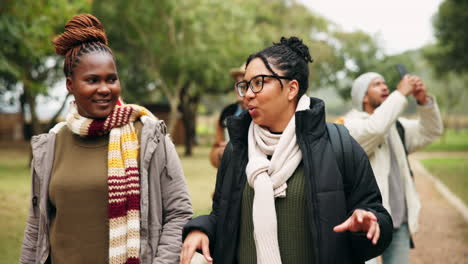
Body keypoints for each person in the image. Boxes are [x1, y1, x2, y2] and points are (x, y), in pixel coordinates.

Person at [180, 36, 393, 264]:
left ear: (292, 89)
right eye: (245, 85)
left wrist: (366, 225)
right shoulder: (238, 148)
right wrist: (201, 229)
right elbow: (223, 216)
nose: (248, 94)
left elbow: (376, 216)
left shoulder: (338, 144)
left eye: (259, 82)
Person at [20, 14, 192, 264]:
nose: (104, 88)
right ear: (70, 84)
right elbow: (37, 225)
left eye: (111, 79)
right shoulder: (52, 144)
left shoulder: (148, 136)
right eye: (92, 80)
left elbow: (178, 213)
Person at [342, 72, 443, 264]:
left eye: (385, 82)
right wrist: (400, 93)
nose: (384, 86)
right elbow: (375, 129)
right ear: (363, 96)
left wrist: (424, 102)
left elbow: (431, 131)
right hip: (366, 220)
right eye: (376, 84)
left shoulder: (396, 126)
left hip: (399, 219)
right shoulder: (350, 125)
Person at [209, 64, 247, 168]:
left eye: (244, 83)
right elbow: (215, 151)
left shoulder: (263, 114)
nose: (239, 87)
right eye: (237, 83)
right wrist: (221, 153)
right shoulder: (226, 114)